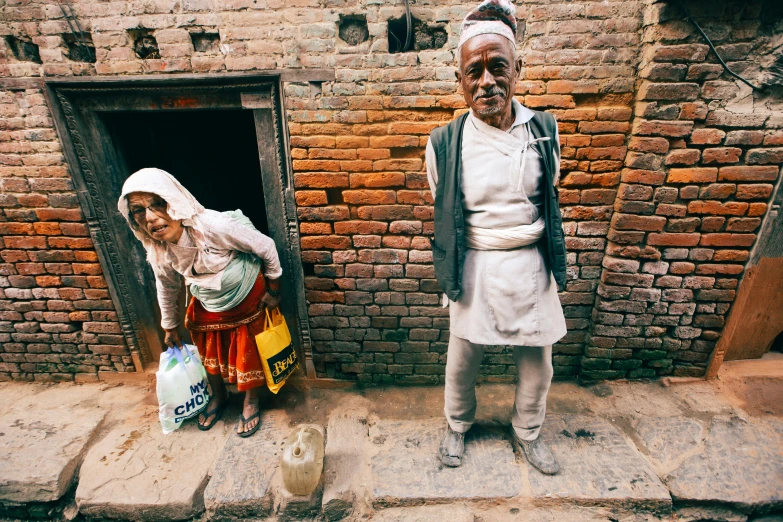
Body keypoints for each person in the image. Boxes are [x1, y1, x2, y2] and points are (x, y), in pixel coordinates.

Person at [426, 0, 568, 474]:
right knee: (463, 357)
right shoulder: (444, 143)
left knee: (538, 360)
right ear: (460, 81)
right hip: (477, 264)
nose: (486, 82)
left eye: (497, 67)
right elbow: (445, 205)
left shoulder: (544, 131)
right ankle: (457, 426)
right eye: (474, 71)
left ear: (518, 70)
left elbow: (548, 192)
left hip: (530, 262)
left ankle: (527, 432)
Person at [118, 168, 283, 437]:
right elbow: (168, 284)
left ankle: (251, 400)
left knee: (247, 345)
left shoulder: (213, 226)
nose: (150, 217)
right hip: (207, 296)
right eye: (138, 210)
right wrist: (169, 326)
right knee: (205, 343)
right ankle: (218, 396)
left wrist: (274, 289)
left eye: (157, 204)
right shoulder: (157, 246)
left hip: (246, 292)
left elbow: (265, 247)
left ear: (174, 202)